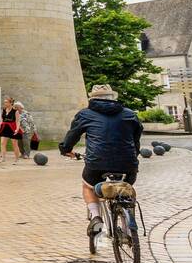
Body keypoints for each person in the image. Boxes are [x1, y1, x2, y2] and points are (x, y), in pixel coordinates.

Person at [59, 84, 144, 239]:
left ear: (92, 98)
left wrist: (65, 149)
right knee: (126, 189)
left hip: (97, 162)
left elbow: (72, 135)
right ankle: (127, 227)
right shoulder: (130, 114)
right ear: (113, 98)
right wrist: (134, 156)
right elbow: (136, 138)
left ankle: (96, 217)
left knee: (88, 186)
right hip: (128, 164)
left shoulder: (85, 114)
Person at [0, 96, 22, 163]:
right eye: (4, 102)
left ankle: (17, 159)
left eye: (6, 102)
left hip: (12, 128)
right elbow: (2, 120)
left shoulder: (15, 111)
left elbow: (17, 121)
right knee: (2, 143)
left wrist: (17, 129)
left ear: (11, 103)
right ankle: (3, 158)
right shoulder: (3, 110)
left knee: (14, 144)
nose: (5, 103)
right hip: (4, 128)